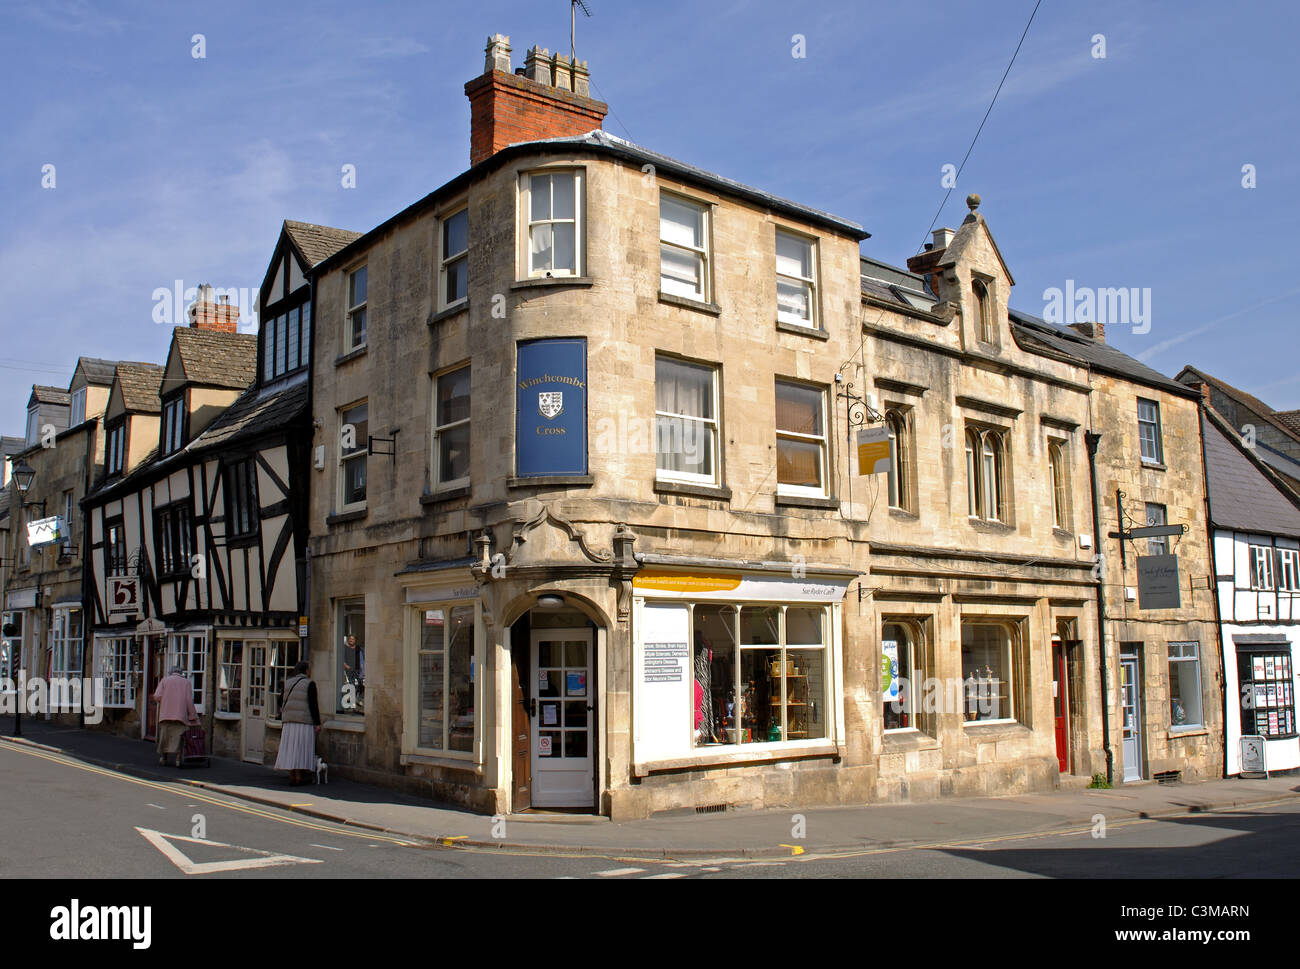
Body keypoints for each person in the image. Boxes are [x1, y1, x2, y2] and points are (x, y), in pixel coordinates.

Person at [274, 661, 321, 786]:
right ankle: (299, 777)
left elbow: (280, 701)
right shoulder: (309, 684)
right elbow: (313, 705)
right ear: (306, 671)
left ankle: (292, 776)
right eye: (309, 669)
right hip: (303, 721)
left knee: (290, 749)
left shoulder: (287, 682)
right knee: (300, 749)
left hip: (289, 721)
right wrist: (317, 723)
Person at [153, 666, 199, 768]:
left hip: (166, 714)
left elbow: (157, 696)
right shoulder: (186, 682)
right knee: (179, 739)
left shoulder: (164, 681)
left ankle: (164, 758)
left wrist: (166, 699)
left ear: (171, 672)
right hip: (180, 715)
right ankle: (178, 760)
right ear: (181, 672)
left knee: (165, 737)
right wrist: (193, 716)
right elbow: (188, 700)